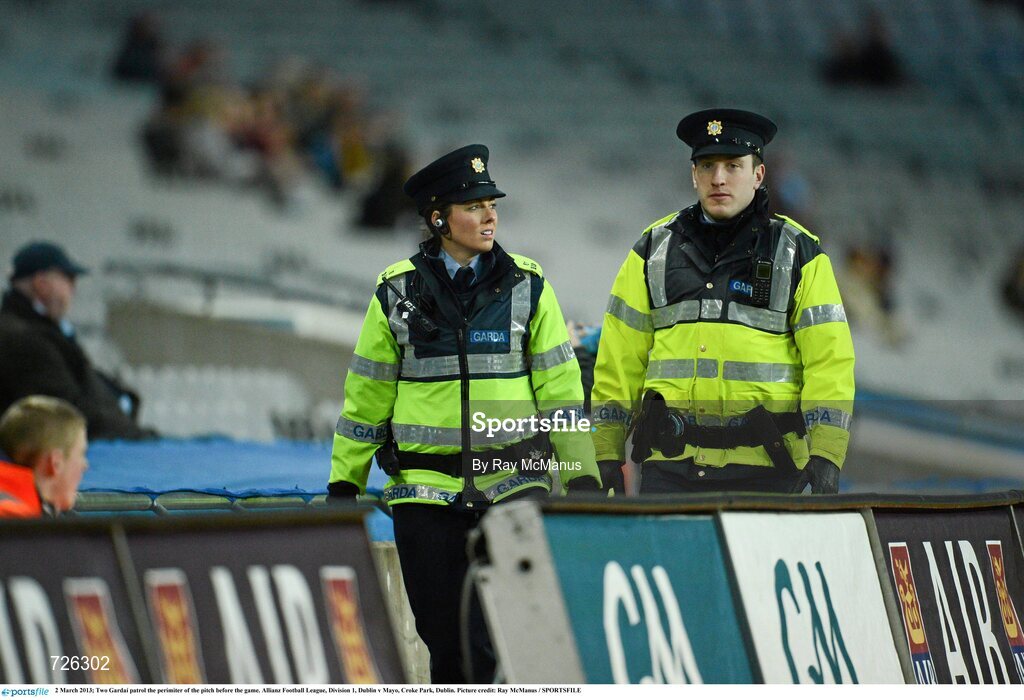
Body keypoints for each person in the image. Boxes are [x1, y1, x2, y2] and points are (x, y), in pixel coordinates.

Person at [327, 144, 601, 683]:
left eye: (492, 203)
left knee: (497, 638)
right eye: (474, 205)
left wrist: (580, 473)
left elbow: (561, 391)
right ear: (438, 218)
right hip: (423, 495)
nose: (490, 215)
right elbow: (367, 394)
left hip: (514, 489)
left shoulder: (530, 285)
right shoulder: (394, 291)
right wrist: (345, 479)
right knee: (447, 648)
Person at [591, 109, 855, 496]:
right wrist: (605, 450)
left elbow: (829, 361)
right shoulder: (652, 249)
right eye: (708, 165)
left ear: (758, 175)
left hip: (767, 472)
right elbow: (619, 360)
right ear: (693, 174)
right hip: (670, 470)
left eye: (733, 165)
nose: (719, 178)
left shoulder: (799, 251)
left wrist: (827, 453)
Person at [0, 242, 153, 440]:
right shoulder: (24, 339)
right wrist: (136, 435)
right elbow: (67, 415)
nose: (73, 290)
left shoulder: (37, 332)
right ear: (41, 284)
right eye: (68, 280)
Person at [0, 395, 89, 518]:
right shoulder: (15, 521)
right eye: (81, 454)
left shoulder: (45, 512)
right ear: (55, 463)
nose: (85, 466)